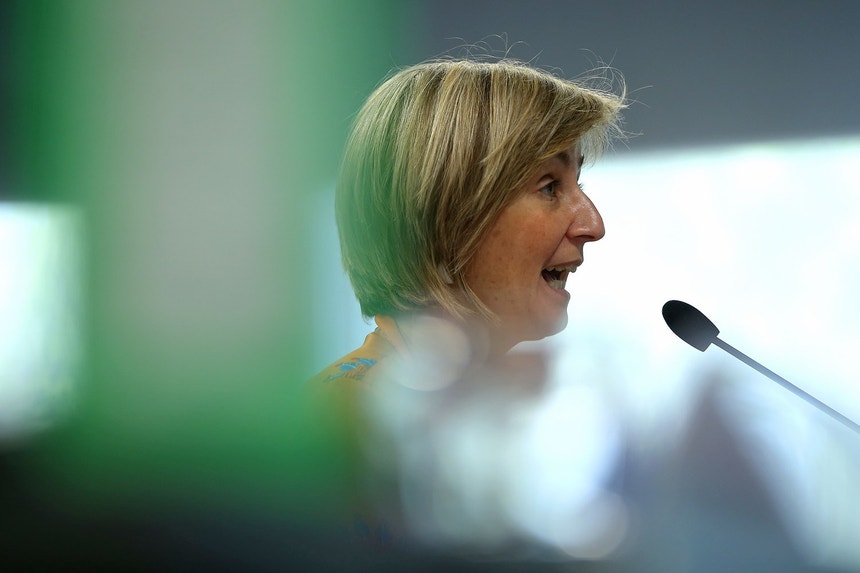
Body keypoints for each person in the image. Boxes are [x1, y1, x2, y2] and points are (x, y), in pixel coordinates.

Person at [307, 57, 625, 549]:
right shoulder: (341, 432)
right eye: (549, 186)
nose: (593, 225)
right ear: (446, 214)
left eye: (579, 183)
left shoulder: (484, 428)